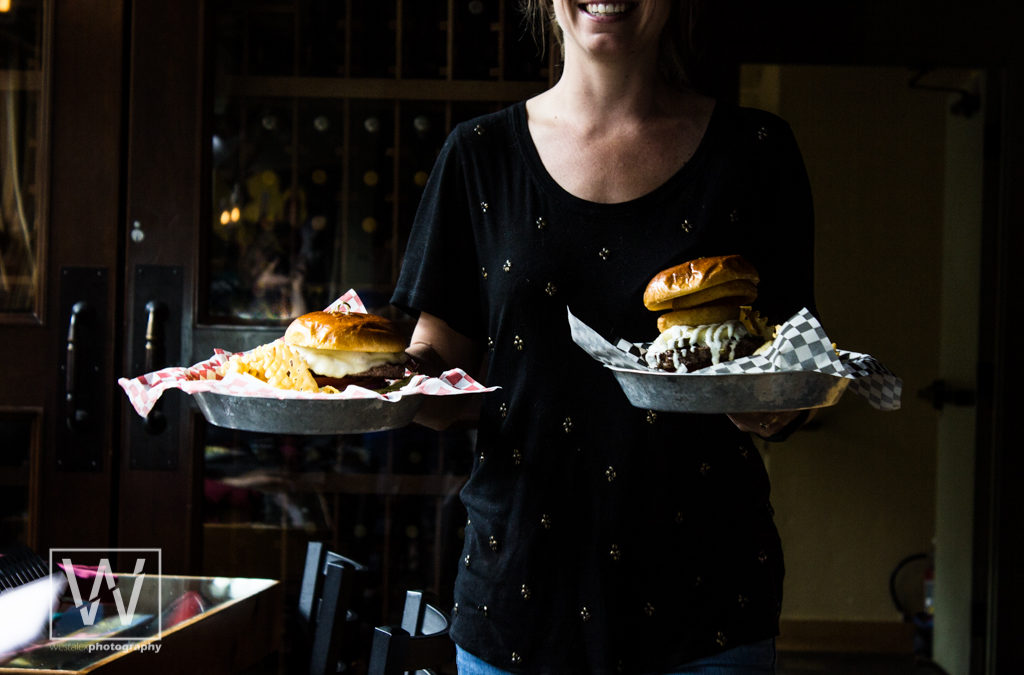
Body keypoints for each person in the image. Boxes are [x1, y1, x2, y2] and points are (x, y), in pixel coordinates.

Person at [390, 0, 816, 672]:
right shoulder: (478, 156)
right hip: (519, 604)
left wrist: (774, 398)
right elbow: (443, 382)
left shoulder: (757, 153)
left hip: (707, 609)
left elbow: (795, 370)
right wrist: (365, 377)